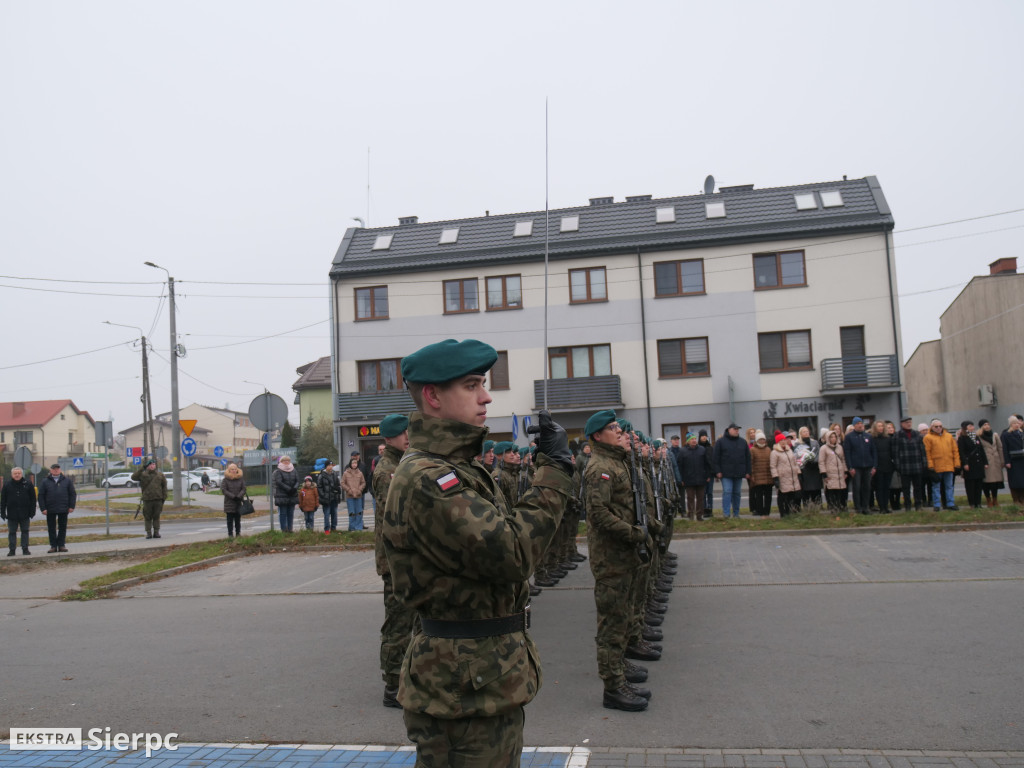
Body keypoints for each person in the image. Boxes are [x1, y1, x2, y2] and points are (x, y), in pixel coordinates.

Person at [381, 338, 573, 765]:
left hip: (479, 678)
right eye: (471, 386)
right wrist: (555, 473)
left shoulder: (456, 468)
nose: (486, 396)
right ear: (433, 396)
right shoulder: (429, 479)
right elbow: (513, 552)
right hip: (462, 687)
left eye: (482, 384)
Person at [584, 410, 652, 712]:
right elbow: (598, 516)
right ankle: (612, 686)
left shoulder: (616, 462)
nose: (618, 431)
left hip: (624, 554)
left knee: (623, 617)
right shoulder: (600, 467)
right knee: (612, 623)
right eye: (612, 428)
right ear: (598, 436)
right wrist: (633, 533)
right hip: (611, 558)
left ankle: (620, 668)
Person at [372, 413, 415, 709]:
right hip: (395, 559)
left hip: (407, 557)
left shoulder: (401, 464)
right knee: (398, 625)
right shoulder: (387, 471)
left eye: (408, 432)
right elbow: (396, 516)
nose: (407, 437)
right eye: (402, 434)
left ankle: (407, 679)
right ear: (389, 439)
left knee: (411, 621)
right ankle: (392, 685)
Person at [711, 424, 751, 519]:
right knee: (727, 491)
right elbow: (715, 458)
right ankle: (726, 513)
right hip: (725, 473)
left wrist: (748, 471)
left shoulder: (742, 442)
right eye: (735, 429)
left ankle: (736, 513)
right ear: (729, 430)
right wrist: (717, 471)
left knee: (737, 493)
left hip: (739, 472)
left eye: (738, 429)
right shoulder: (720, 442)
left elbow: (748, 458)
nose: (737, 431)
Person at [37, 463, 77, 553]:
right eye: (54, 469)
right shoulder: (45, 481)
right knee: (51, 528)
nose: (56, 470)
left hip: (63, 508)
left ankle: (61, 545)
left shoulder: (67, 481)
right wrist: (43, 508)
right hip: (50, 509)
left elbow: (72, 494)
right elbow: (41, 496)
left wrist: (71, 506)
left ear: (60, 470)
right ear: (50, 470)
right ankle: (53, 546)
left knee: (62, 527)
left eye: (57, 469)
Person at [923, 419, 960, 511]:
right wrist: (930, 465)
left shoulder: (948, 436)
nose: (939, 428)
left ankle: (950, 503)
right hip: (936, 466)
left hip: (948, 465)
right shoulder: (928, 437)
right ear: (932, 427)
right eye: (936, 426)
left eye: (940, 426)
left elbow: (955, 450)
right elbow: (927, 452)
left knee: (949, 486)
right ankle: (937, 504)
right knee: (936, 486)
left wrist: (957, 463)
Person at [843, 417, 877, 514]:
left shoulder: (868, 436)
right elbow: (847, 453)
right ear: (854, 425)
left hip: (868, 466)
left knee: (867, 487)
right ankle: (858, 507)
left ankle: (866, 507)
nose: (860, 425)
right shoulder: (849, 437)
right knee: (857, 487)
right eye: (858, 423)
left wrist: (874, 466)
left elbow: (873, 451)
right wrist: (850, 467)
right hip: (856, 467)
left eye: (861, 423)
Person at [893, 416, 926, 511]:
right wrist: (898, 465)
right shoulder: (897, 435)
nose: (909, 424)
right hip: (904, 466)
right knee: (906, 488)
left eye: (910, 422)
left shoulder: (917, 434)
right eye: (906, 422)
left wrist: (924, 463)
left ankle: (918, 505)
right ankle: (907, 505)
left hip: (917, 464)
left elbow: (922, 450)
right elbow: (895, 452)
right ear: (902, 424)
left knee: (918, 487)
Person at [677, 432, 712, 520]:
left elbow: (707, 464)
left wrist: (708, 475)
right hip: (688, 479)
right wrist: (681, 478)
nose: (694, 440)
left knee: (700, 498)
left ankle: (700, 515)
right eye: (692, 439)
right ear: (688, 441)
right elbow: (680, 466)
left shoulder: (702, 450)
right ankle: (691, 515)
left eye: (695, 439)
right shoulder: (682, 451)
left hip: (701, 478)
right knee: (690, 498)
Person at [2, 466, 36, 556]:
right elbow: (3, 500)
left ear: (21, 474)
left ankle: (25, 549)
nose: (17, 475)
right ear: (12, 474)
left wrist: (32, 511)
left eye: (19, 473)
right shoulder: (7, 485)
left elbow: (33, 499)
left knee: (25, 531)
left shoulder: (28, 484)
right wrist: (2, 512)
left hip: (25, 513)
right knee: (12, 532)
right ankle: (12, 550)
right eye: (15, 473)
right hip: (12, 514)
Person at [131, 459, 168, 539]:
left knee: (156, 516)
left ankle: (156, 532)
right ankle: (148, 533)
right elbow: (133, 477)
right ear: (148, 466)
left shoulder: (160, 475)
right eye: (150, 465)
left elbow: (164, 487)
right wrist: (142, 468)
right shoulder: (143, 475)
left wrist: (164, 497)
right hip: (147, 499)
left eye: (154, 464)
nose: (152, 466)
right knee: (147, 517)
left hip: (158, 499)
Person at [957, 421, 987, 509]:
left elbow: (981, 450)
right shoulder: (962, 438)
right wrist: (965, 463)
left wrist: (985, 462)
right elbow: (961, 452)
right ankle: (972, 503)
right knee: (970, 485)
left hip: (978, 464)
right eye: (970, 426)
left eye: (972, 425)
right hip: (970, 464)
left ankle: (978, 503)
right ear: (965, 427)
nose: (972, 427)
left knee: (978, 484)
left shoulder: (976, 436)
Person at [770, 433, 801, 517]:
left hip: (792, 477)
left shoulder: (789, 450)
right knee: (782, 496)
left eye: (784, 440)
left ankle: (789, 512)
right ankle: (782, 513)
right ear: (777, 442)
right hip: (782, 477)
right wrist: (775, 477)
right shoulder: (774, 452)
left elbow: (795, 463)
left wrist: (798, 473)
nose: (783, 442)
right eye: (781, 440)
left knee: (791, 495)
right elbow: (773, 466)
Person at [977, 419, 1005, 507]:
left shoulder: (995, 434)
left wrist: (1002, 460)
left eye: (988, 424)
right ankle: (988, 500)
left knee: (995, 483)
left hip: (995, 461)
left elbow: (1000, 447)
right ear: (981, 426)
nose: (987, 426)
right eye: (985, 424)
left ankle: (995, 500)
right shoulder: (978, 435)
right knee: (986, 482)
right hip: (986, 461)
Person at [819, 431, 848, 512]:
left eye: (834, 437)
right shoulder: (823, 448)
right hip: (830, 473)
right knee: (831, 491)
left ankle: (840, 506)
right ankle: (832, 507)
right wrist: (824, 473)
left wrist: (845, 471)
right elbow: (821, 462)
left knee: (840, 490)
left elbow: (843, 460)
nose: (833, 439)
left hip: (839, 473)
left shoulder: (840, 447)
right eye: (831, 437)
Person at [870, 421, 894, 513]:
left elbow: (891, 452)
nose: (881, 428)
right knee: (879, 487)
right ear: (875, 428)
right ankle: (881, 507)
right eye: (879, 426)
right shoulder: (873, 439)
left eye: (882, 426)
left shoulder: (888, 439)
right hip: (878, 466)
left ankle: (886, 506)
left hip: (888, 465)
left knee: (887, 487)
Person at [795, 426, 822, 507]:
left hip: (814, 469)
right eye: (804, 431)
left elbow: (818, 453)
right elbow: (797, 456)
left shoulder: (815, 442)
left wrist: (814, 461)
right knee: (806, 489)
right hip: (805, 470)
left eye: (807, 431)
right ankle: (807, 506)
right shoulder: (798, 444)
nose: (806, 433)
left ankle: (817, 505)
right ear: (800, 434)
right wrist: (804, 460)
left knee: (816, 489)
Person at [748, 431, 774, 517]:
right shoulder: (752, 450)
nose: (762, 441)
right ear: (756, 440)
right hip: (758, 476)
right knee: (759, 495)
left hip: (768, 476)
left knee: (768, 495)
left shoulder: (768, 449)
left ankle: (767, 511)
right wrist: (752, 475)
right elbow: (750, 463)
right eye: (760, 439)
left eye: (763, 439)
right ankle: (759, 510)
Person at [1001, 416, 1024, 507]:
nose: (1016, 425)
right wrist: (1007, 461)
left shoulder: (1021, 434)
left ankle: (1022, 499)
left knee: (1022, 481)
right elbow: (1005, 449)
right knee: (1015, 481)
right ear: (1011, 424)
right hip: (1013, 461)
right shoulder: (1006, 434)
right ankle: (1016, 499)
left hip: (1022, 460)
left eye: (1018, 423)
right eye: (1014, 423)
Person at [273, 455, 300, 531]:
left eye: (288, 460)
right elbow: (279, 482)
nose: (287, 462)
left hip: (292, 495)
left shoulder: (294, 470)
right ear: (281, 462)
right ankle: (284, 529)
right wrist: (288, 489)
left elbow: (297, 480)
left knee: (290, 513)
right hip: (282, 495)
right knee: (283, 513)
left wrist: (294, 488)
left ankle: (290, 529)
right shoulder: (279, 471)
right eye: (285, 461)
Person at [220, 462, 246, 538]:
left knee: (238, 520)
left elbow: (244, 489)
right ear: (229, 470)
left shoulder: (240, 479)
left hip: (238, 502)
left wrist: (239, 496)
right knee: (229, 520)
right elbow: (224, 490)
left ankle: (238, 534)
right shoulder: (225, 480)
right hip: (229, 502)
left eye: (235, 469)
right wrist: (233, 496)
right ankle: (230, 534)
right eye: (232, 469)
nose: (234, 470)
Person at [342, 456, 367, 531]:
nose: (354, 464)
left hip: (358, 496)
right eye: (353, 463)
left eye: (356, 463)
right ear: (350, 464)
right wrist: (348, 490)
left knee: (359, 512)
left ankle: (358, 528)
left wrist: (360, 490)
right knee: (352, 512)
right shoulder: (346, 473)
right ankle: (352, 528)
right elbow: (342, 483)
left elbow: (363, 483)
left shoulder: (360, 473)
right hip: (350, 496)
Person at [317, 460, 342, 533]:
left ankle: (333, 528)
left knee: (334, 513)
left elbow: (337, 484)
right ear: (326, 466)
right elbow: (319, 487)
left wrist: (338, 491)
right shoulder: (321, 475)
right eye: (329, 465)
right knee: (327, 514)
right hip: (326, 498)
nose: (330, 467)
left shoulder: (334, 474)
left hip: (334, 497)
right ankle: (327, 529)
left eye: (331, 465)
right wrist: (323, 495)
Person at [698, 430, 714, 518]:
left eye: (705, 436)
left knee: (710, 493)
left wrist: (711, 473)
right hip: (701, 475)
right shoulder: (698, 448)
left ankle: (710, 509)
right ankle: (703, 509)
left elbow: (712, 461)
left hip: (710, 474)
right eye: (702, 436)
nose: (704, 437)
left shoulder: (710, 448)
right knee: (702, 494)